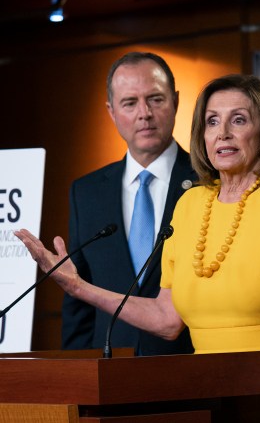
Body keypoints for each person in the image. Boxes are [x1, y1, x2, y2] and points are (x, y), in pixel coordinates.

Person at [15, 74, 260, 423]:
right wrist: (78, 286)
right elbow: (167, 319)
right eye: (212, 121)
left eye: (238, 120)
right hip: (211, 396)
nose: (222, 132)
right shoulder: (191, 204)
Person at [63, 51, 195, 355]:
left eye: (156, 99)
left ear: (175, 100)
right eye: (130, 103)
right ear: (111, 111)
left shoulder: (209, 182)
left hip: (190, 371)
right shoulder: (86, 192)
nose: (144, 113)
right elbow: (78, 303)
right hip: (109, 377)